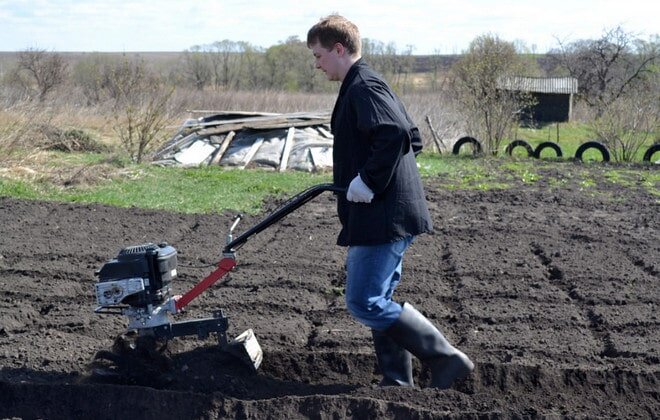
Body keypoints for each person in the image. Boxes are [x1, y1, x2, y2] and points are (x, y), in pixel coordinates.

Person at [307, 14, 474, 389]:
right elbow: (413, 138)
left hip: (383, 218)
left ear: (338, 49)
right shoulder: (365, 83)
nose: (316, 64)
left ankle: (447, 359)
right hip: (386, 212)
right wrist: (373, 177)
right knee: (378, 297)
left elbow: (397, 133)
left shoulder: (363, 86)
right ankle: (398, 380)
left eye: (318, 55)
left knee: (363, 301)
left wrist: (369, 180)